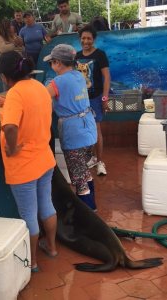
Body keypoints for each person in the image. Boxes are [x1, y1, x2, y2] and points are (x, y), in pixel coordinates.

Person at [0, 50, 57, 272]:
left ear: (4, 76)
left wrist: (12, 148)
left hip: (24, 166)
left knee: (29, 214)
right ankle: (51, 248)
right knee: (46, 206)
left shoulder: (14, 93)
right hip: (44, 159)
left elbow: (11, 126)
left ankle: (32, 263)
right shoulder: (39, 87)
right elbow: (28, 116)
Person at [44, 44, 97, 211]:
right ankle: (92, 207)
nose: (51, 66)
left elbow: (39, 98)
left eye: (51, 62)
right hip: (88, 130)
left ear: (58, 63)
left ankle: (88, 216)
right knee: (84, 171)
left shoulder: (58, 81)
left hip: (74, 134)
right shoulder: (79, 76)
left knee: (79, 178)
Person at [76, 25, 110, 176]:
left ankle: (100, 162)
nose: (86, 41)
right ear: (80, 39)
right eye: (83, 38)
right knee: (84, 130)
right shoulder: (76, 56)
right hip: (80, 100)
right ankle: (92, 158)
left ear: (94, 39)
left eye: (89, 38)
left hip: (96, 99)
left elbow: (107, 78)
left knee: (96, 131)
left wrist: (104, 98)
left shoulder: (100, 55)